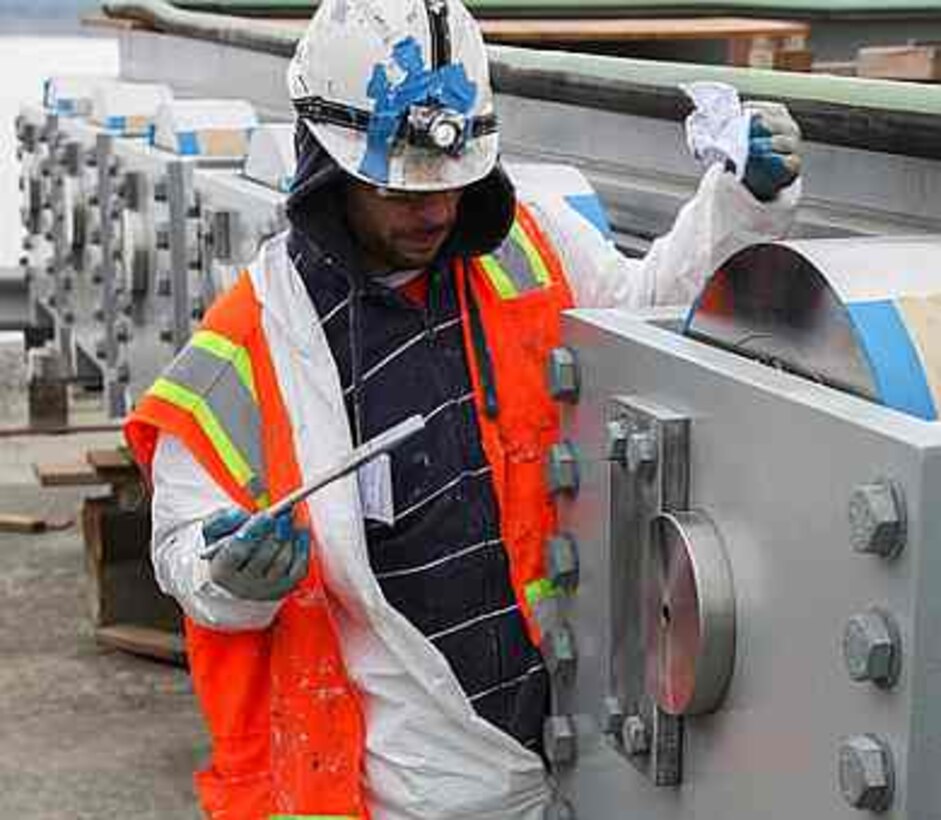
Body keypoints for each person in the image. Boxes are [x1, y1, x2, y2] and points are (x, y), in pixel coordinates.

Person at [125, 0, 802, 817]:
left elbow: (647, 316)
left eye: (452, 183)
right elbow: (185, 554)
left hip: (574, 743)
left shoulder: (528, 245)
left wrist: (740, 205)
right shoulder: (247, 346)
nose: (436, 212)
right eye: (401, 189)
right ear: (326, 165)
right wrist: (229, 575)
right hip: (414, 778)